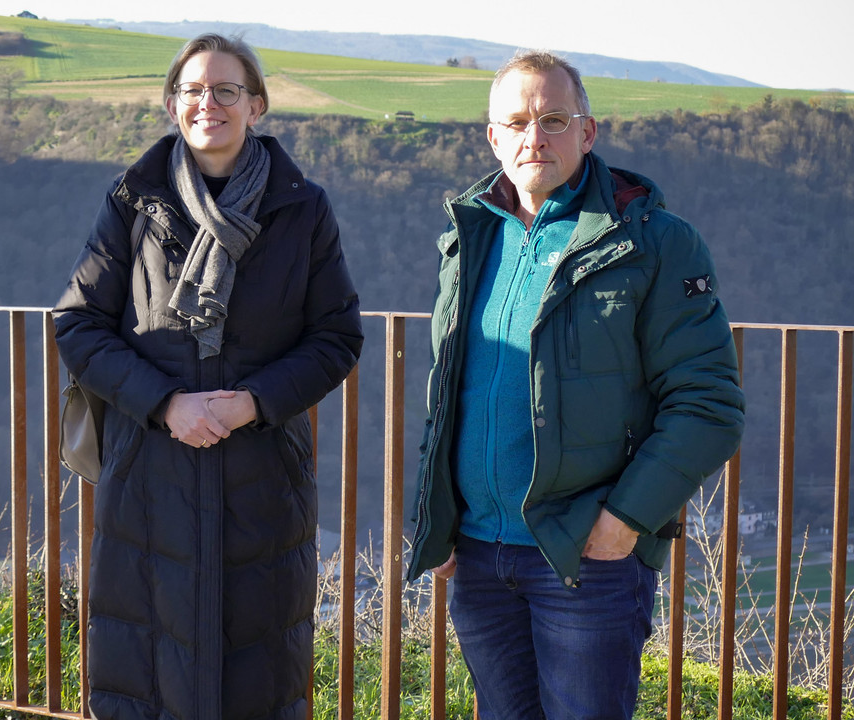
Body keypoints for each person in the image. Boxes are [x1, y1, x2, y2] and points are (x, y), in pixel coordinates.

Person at [405, 51, 745, 719]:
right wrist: (435, 519)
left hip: (584, 560)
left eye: (555, 119)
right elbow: (448, 395)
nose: (537, 137)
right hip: (478, 555)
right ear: (493, 136)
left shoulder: (652, 242)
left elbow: (710, 407)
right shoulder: (469, 238)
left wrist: (624, 523)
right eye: (519, 122)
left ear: (589, 133)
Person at [53, 33, 363, 720]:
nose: (208, 104)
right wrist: (165, 404)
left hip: (263, 473)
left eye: (226, 91)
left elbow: (337, 336)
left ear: (257, 106)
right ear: (171, 104)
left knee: (259, 673)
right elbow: (77, 324)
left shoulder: (301, 210)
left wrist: (254, 403)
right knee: (149, 673)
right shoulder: (133, 202)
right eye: (193, 90)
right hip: (150, 472)